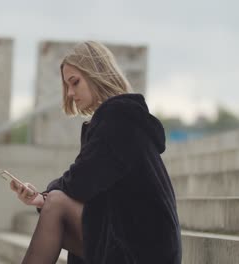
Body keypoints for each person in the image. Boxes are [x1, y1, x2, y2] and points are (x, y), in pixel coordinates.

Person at [9, 41, 182, 264]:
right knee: (55, 202)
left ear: (96, 74)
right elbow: (89, 190)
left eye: (75, 82)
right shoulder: (115, 118)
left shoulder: (119, 118)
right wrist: (40, 198)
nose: (70, 93)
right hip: (132, 239)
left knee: (57, 202)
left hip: (145, 250)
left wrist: (46, 196)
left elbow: (79, 182)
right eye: (67, 86)